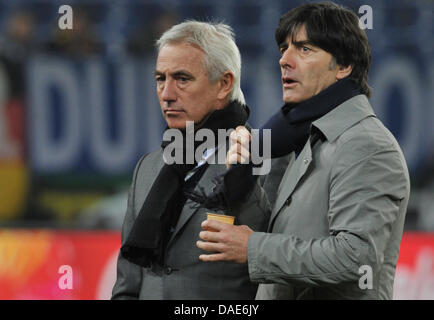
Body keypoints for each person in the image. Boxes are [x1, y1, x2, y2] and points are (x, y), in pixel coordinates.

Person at [196, 2, 410, 299]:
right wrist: (241, 173)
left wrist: (253, 248)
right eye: (284, 48)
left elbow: (356, 259)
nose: (284, 59)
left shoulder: (367, 145)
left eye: (304, 49)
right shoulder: (294, 140)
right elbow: (270, 232)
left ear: (344, 66)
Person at [111, 20, 272, 300]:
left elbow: (274, 261)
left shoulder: (261, 154)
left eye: (182, 79)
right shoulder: (148, 168)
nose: (167, 94)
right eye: (161, 79)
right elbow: (128, 282)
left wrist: (242, 179)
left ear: (224, 84)